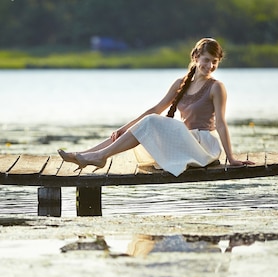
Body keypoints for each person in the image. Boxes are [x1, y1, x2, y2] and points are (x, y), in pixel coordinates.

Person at [57, 37, 254, 176]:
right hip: (185, 143)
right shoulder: (180, 83)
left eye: (214, 62)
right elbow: (155, 109)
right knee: (148, 121)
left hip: (202, 147)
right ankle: (87, 154)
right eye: (206, 60)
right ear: (195, 58)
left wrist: (231, 158)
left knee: (151, 122)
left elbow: (221, 124)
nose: (210, 66)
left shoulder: (216, 87)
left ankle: (98, 156)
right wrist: (125, 128)